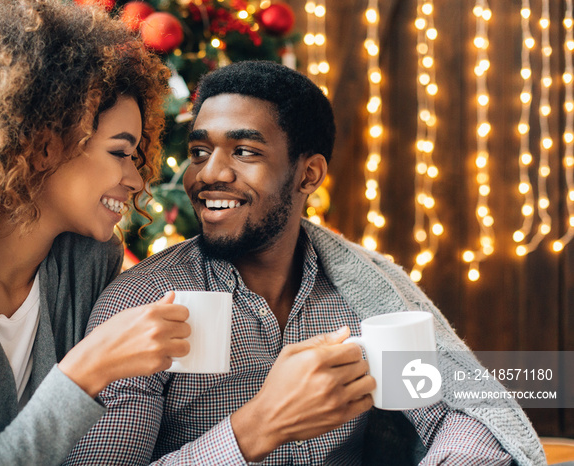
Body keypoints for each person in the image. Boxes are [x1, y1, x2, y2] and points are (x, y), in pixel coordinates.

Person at [65, 61, 546, 465]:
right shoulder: (142, 305)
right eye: (199, 151)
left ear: (308, 174)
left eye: (245, 150)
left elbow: (465, 412)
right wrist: (250, 432)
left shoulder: (366, 293)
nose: (209, 172)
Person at [0, 1, 193, 464]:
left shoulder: (89, 260)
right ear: (45, 145)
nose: (138, 179)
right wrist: (86, 370)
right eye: (120, 152)